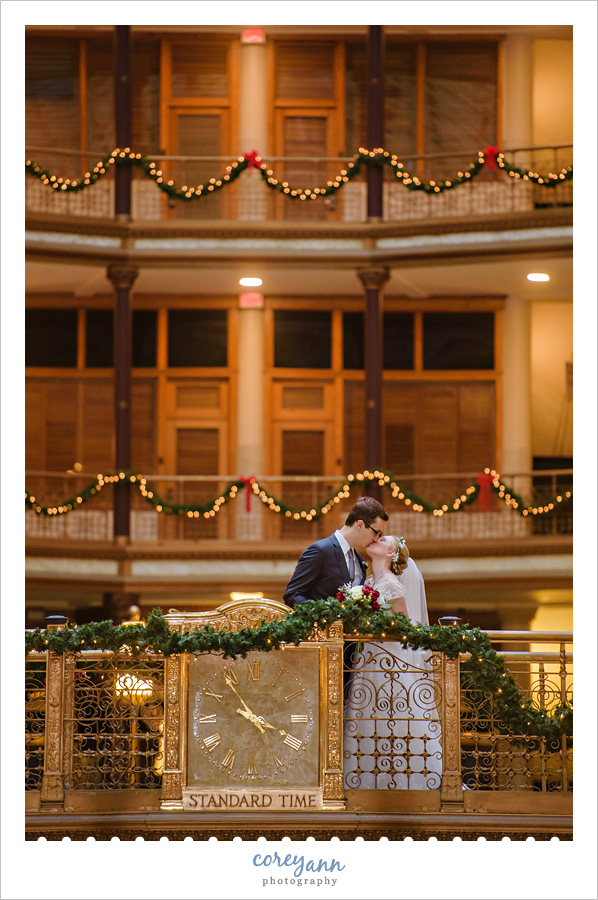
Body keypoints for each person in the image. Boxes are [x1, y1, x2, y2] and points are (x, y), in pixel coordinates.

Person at [343, 535, 443, 790]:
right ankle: (367, 781)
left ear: (391, 553)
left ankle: (403, 781)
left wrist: (374, 627)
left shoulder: (392, 584)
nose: (376, 539)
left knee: (393, 717)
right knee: (367, 718)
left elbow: (405, 629)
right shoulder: (367, 582)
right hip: (366, 662)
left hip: (389, 663)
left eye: (383, 539)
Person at [283, 496, 389, 607]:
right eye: (376, 532)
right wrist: (323, 611)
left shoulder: (360, 560)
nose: (376, 539)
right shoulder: (320, 551)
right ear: (360, 525)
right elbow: (292, 595)